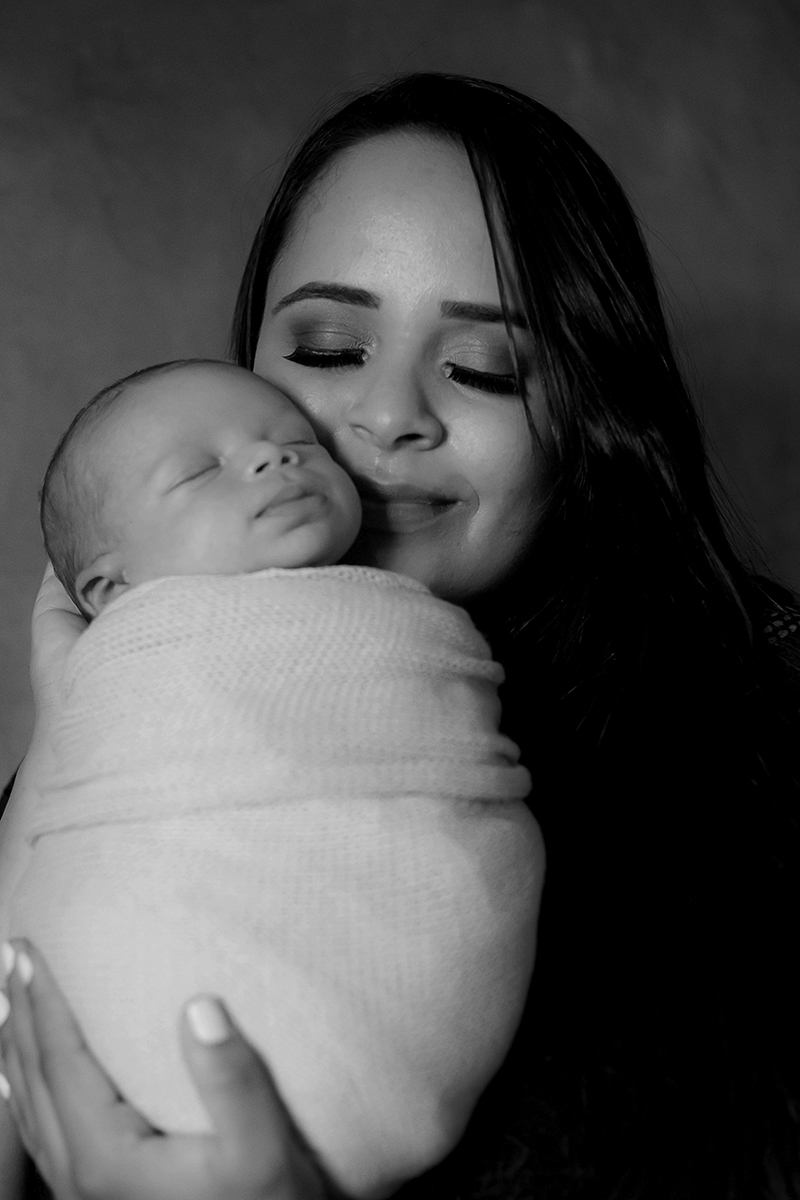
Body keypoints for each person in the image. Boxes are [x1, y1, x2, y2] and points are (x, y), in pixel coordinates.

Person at [1, 69, 799, 1200]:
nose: (385, 419)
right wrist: (59, 762)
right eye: (327, 351)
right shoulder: (132, 738)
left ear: (588, 415)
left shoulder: (761, 722)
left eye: (481, 368)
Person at [5, 357, 541, 1198]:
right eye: (331, 350)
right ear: (112, 589)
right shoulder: (106, 702)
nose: (275, 459)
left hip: (404, 997)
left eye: (293, 442)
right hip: (148, 1007)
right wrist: (71, 711)